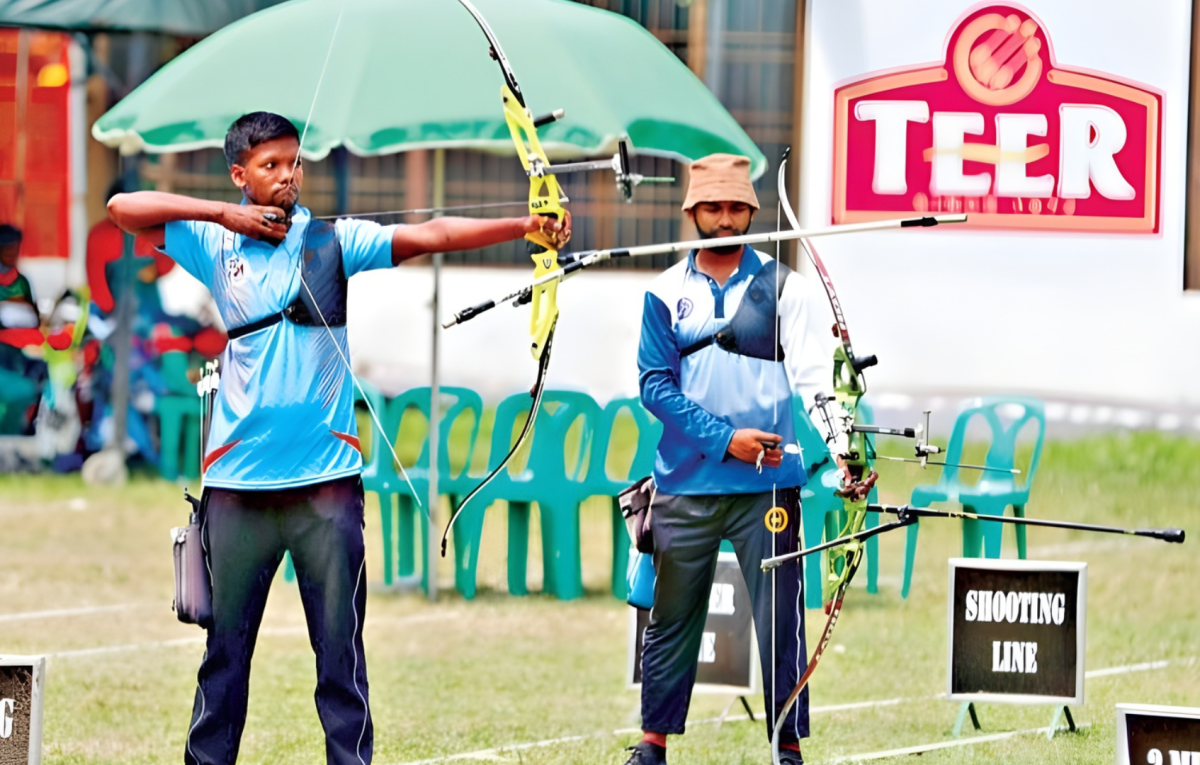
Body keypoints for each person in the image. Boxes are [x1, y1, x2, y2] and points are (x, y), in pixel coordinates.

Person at [107, 111, 570, 765]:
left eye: (294, 161)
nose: (288, 175)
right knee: (225, 658)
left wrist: (524, 226)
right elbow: (123, 206)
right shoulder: (212, 242)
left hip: (326, 485)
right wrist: (226, 216)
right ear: (239, 175)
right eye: (270, 165)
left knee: (340, 655)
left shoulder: (332, 241)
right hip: (238, 486)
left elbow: (430, 233)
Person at [626, 154, 870, 765]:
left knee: (780, 623)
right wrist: (724, 438)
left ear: (754, 212)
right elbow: (655, 385)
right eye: (713, 207)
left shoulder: (783, 287)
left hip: (768, 486)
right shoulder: (664, 292)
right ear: (692, 213)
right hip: (686, 482)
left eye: (738, 207)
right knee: (672, 618)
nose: (726, 219)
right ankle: (652, 745)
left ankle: (786, 747)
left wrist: (843, 449)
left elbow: (815, 378)